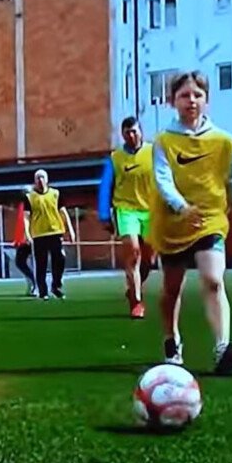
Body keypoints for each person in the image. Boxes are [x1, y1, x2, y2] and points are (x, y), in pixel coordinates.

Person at [150, 71, 232, 375]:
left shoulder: (223, 140)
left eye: (197, 95)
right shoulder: (164, 141)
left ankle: (222, 347)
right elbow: (163, 180)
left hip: (209, 219)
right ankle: (172, 340)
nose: (191, 100)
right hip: (173, 224)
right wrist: (181, 207)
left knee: (214, 280)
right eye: (184, 95)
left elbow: (230, 175)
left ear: (206, 99)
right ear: (172, 101)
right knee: (171, 289)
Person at [98, 116, 156, 319]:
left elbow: (166, 179)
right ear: (122, 135)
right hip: (126, 210)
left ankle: (133, 288)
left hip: (151, 211)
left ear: (141, 132)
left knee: (149, 259)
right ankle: (136, 301)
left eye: (134, 131)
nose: (131, 135)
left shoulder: (154, 153)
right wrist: (104, 214)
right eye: (127, 132)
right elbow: (105, 187)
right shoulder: (115, 158)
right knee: (133, 252)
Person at [23, 169, 76, 300]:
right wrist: (27, 233)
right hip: (39, 234)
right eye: (38, 178)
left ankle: (56, 286)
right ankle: (43, 291)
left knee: (60, 259)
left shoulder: (55, 194)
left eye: (42, 178)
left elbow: (63, 212)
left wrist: (70, 230)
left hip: (55, 231)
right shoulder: (30, 197)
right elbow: (26, 217)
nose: (40, 181)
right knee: (41, 263)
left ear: (47, 180)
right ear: (35, 181)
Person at [11, 197, 36, 296]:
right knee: (20, 262)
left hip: (31, 239)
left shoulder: (32, 205)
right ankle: (32, 283)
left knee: (28, 262)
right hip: (24, 240)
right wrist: (17, 240)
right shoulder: (22, 206)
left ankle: (35, 284)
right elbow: (21, 223)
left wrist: (29, 236)